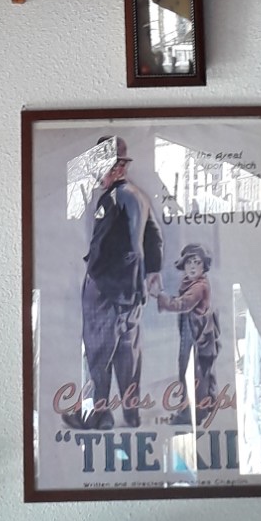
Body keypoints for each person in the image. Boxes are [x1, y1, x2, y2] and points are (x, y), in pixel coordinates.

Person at [78, 135, 162, 430]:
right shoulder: (140, 197)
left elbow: (101, 245)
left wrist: (94, 273)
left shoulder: (112, 199)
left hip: (107, 289)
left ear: (117, 168)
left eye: (99, 167)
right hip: (132, 289)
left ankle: (100, 415)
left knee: (99, 351)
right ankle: (131, 413)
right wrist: (151, 272)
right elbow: (154, 237)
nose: (95, 175)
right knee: (129, 352)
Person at [156, 241, 222, 428]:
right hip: (194, 333)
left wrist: (162, 298)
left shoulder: (199, 286)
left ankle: (191, 412)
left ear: (204, 266)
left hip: (197, 336)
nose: (192, 267)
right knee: (195, 371)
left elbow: (183, 304)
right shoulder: (191, 283)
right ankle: (200, 408)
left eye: (197, 262)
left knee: (192, 372)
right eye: (189, 262)